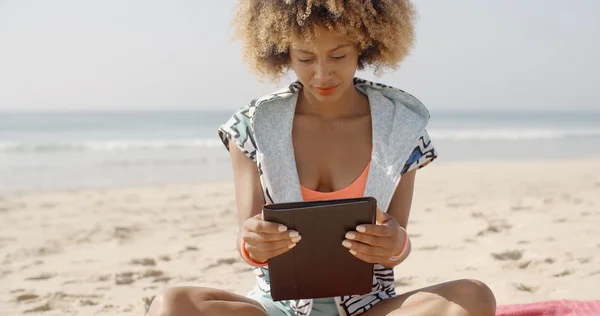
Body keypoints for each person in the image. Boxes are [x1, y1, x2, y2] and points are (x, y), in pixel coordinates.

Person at [148, 1, 496, 315]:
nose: (322, 74)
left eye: (339, 55)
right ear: (284, 51)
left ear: (365, 44)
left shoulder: (402, 127)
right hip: (278, 309)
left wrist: (396, 242)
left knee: (475, 296)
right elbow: (248, 239)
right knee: (171, 305)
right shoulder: (250, 126)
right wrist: (253, 240)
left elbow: (396, 241)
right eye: (305, 58)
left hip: (370, 308)